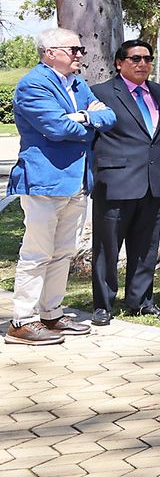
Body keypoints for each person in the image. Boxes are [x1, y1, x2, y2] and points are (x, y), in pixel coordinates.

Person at [5, 28, 115, 346]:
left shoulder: (77, 83)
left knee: (63, 253)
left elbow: (108, 117)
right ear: (50, 51)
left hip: (77, 181)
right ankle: (21, 322)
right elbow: (56, 128)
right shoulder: (33, 84)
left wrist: (79, 118)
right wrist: (86, 119)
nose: (80, 54)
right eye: (74, 49)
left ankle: (51, 313)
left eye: (81, 49)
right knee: (37, 253)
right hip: (44, 180)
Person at [90, 38, 160, 323]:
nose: (142, 64)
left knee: (146, 247)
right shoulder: (100, 93)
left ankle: (141, 300)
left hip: (152, 182)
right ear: (119, 62)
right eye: (135, 59)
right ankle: (103, 304)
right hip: (115, 183)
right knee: (107, 248)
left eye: (147, 59)